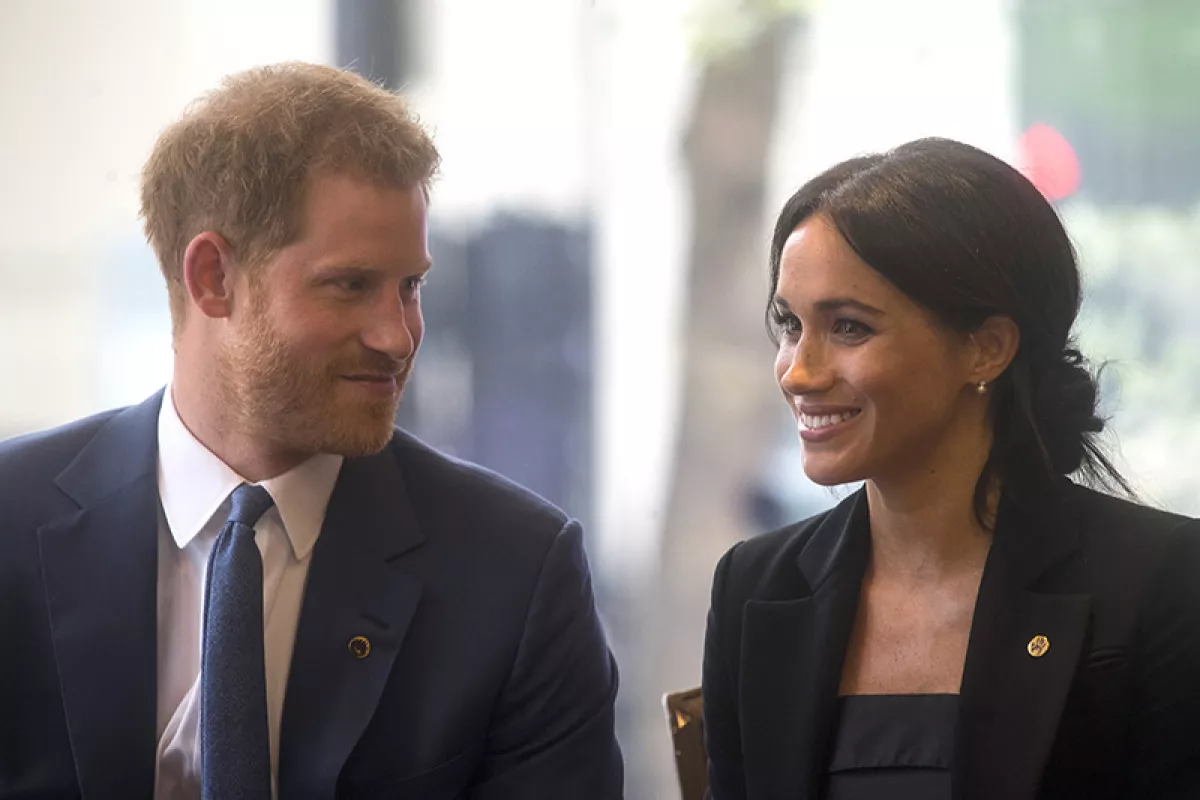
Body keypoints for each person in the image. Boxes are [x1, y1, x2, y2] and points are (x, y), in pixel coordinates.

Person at [0, 62, 622, 799]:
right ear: (213, 278)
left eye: (411, 286)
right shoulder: (12, 521)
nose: (399, 336)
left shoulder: (514, 573)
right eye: (351, 285)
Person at [702, 138, 1200, 799]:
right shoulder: (756, 586)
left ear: (987, 349)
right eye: (789, 325)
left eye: (848, 328)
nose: (799, 371)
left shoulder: (1162, 582)